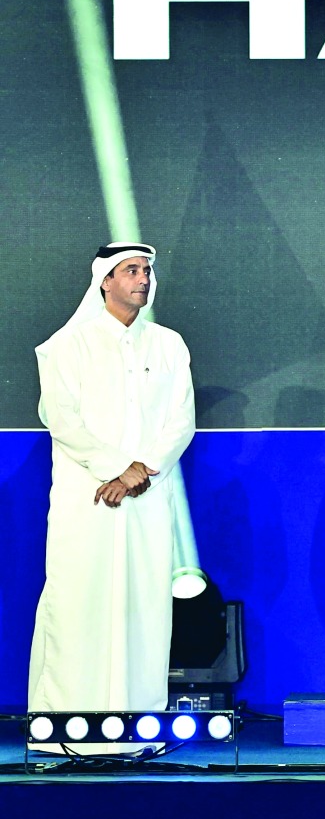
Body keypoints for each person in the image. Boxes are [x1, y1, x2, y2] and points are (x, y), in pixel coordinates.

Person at [28, 243, 195, 732]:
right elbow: (61, 419)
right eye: (131, 270)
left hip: (147, 498)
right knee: (77, 606)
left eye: (146, 271)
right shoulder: (67, 346)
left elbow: (181, 420)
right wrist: (118, 470)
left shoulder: (168, 344)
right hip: (88, 500)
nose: (143, 278)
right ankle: (65, 730)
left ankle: (137, 729)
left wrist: (142, 470)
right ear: (105, 281)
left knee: (143, 611)